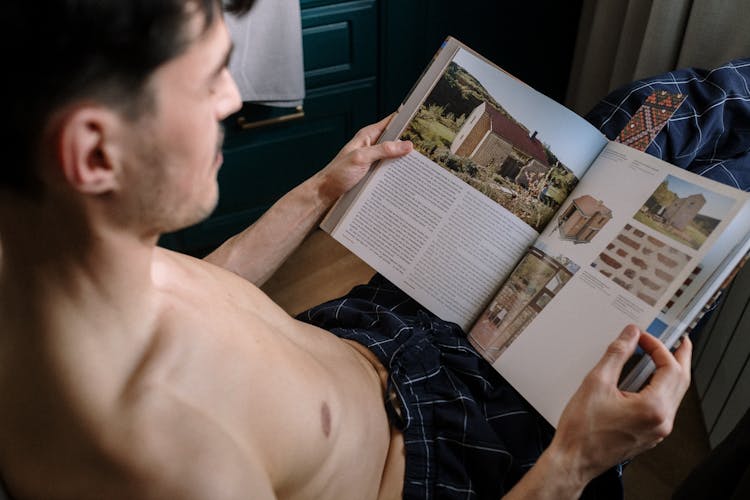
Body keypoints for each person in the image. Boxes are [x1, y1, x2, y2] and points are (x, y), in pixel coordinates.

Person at [0, 1, 691, 498]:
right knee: (687, 205)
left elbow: (211, 280)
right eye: (210, 77)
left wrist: (321, 191)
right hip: (445, 452)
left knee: (652, 110)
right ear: (94, 153)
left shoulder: (51, 255)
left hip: (376, 341)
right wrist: (576, 458)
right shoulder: (175, 468)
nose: (233, 99)